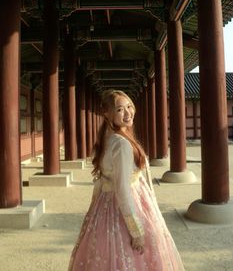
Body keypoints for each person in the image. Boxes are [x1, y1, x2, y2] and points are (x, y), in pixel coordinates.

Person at [68, 89, 185, 271]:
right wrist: (136, 231)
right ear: (107, 113)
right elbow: (122, 189)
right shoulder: (121, 143)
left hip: (107, 204)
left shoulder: (109, 137)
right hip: (128, 203)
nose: (128, 113)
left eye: (129, 106)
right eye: (120, 109)